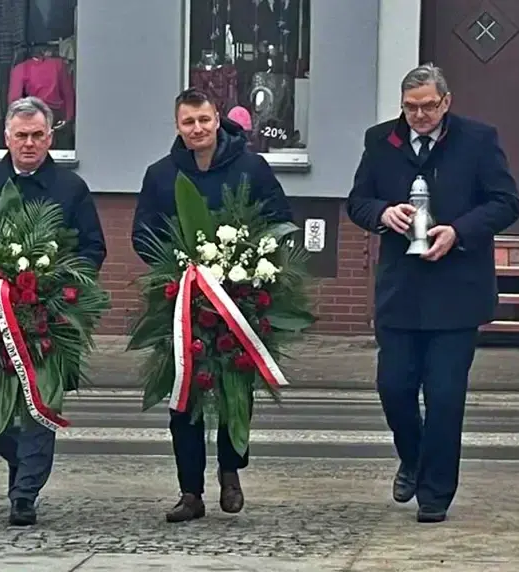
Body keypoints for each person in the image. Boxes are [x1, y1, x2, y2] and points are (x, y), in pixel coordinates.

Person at [346, 63, 519, 523]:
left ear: (446, 102)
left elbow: (506, 202)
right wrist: (382, 214)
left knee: (444, 397)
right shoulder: (380, 140)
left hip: (456, 291)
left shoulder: (478, 139)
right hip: (400, 291)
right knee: (394, 388)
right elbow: (357, 201)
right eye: (411, 108)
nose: (419, 116)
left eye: (428, 106)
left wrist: (459, 231)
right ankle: (413, 457)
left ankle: (435, 493)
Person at [131, 88, 293, 523]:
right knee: (184, 391)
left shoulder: (251, 168)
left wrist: (250, 260)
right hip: (182, 298)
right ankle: (190, 491)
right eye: (189, 122)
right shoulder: (161, 174)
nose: (198, 128)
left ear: (217, 119)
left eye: (204, 119)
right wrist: (176, 264)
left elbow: (279, 218)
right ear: (177, 126)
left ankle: (230, 471)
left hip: (240, 297)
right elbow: (143, 233)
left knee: (233, 388)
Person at [0, 96, 106, 527]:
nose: (29, 143)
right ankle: (19, 467)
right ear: (6, 137)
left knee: (41, 405)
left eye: (37, 135)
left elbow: (93, 248)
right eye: (21, 135)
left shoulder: (71, 188)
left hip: (48, 318)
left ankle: (24, 494)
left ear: (50, 138)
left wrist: (63, 286)